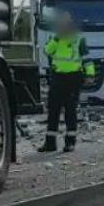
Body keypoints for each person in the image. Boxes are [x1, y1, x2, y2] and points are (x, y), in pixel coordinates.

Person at [39, 12, 96, 153]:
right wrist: (57, 38)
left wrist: (90, 74)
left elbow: (87, 59)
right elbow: (46, 50)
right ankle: (50, 143)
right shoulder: (55, 39)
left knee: (70, 111)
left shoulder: (78, 39)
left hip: (73, 78)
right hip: (58, 77)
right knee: (53, 111)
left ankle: (70, 143)